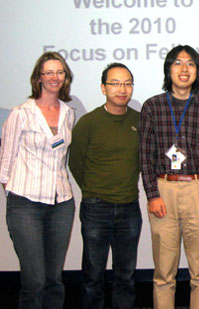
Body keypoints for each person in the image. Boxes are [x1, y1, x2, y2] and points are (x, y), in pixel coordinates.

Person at [139, 45, 199, 309]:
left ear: (197, 70)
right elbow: (145, 155)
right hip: (163, 189)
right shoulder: (152, 106)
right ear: (168, 69)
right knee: (164, 272)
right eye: (177, 63)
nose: (184, 69)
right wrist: (152, 195)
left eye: (190, 64)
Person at [0, 51, 75, 308]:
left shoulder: (68, 113)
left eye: (60, 72)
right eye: (49, 72)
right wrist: (11, 193)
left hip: (62, 203)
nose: (55, 77)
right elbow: (5, 160)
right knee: (35, 280)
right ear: (39, 77)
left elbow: (62, 158)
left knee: (54, 279)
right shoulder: (21, 113)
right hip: (26, 204)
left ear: (66, 77)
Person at [68, 63, 142, 309]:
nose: (122, 89)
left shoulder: (140, 121)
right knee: (92, 277)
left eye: (127, 83)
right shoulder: (88, 123)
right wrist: (93, 191)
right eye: (115, 83)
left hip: (129, 208)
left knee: (126, 276)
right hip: (96, 208)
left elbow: (144, 160)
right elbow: (76, 163)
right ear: (103, 88)